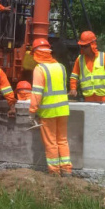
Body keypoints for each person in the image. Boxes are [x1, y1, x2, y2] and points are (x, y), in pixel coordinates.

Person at [28, 38, 72, 175]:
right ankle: (67, 170)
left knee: (51, 142)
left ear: (36, 53)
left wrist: (32, 111)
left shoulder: (39, 69)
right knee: (62, 141)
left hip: (48, 112)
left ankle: (54, 172)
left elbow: (37, 93)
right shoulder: (61, 67)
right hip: (63, 110)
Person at [69, 30, 105, 103]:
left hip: (103, 97)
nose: (83, 48)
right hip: (87, 98)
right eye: (82, 46)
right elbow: (74, 76)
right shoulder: (80, 59)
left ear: (92, 45)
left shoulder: (104, 57)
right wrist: (73, 88)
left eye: (85, 46)